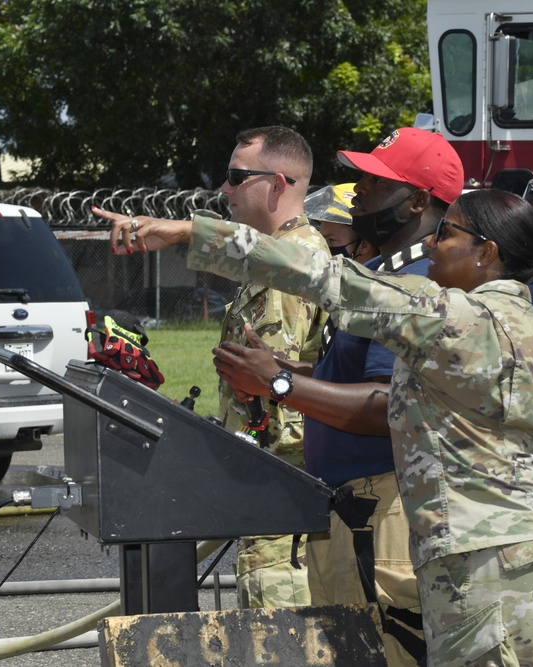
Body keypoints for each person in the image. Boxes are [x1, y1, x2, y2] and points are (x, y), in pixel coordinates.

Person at [96, 186, 533, 667]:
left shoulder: (452, 317)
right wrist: (283, 375)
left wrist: (189, 233)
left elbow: (326, 278)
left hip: (491, 560)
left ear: (486, 252)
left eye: (446, 233)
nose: (430, 243)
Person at [215, 128, 465, 666]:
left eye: (375, 185)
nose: (357, 195)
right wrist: (295, 370)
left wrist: (280, 384)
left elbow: (385, 403)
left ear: (418, 201)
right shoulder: (380, 275)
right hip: (356, 510)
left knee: (392, 654)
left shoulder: (418, 284)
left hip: (387, 511)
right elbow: (352, 375)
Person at [210, 125, 329, 609]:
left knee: (280, 638)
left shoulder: (291, 264)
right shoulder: (279, 259)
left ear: (277, 184)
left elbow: (279, 398)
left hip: (282, 485)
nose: (225, 190)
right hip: (272, 486)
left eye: (237, 177)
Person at [304, 182, 377, 264]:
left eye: (331, 240)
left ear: (364, 245)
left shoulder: (386, 274)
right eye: (321, 239)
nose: (320, 247)